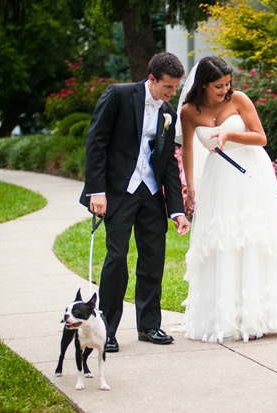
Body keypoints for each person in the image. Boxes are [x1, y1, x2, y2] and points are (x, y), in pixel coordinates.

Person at [176, 56, 277, 343]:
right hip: (219, 176)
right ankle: (225, 316)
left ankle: (259, 316)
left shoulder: (240, 100)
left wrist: (230, 133)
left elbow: (261, 138)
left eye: (228, 83)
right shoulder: (188, 111)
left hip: (250, 170)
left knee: (252, 237)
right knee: (223, 239)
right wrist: (190, 185)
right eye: (218, 86)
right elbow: (188, 151)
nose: (225, 90)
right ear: (203, 84)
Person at [80, 52, 191, 352]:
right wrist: (96, 191)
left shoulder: (168, 112)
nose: (171, 94)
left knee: (153, 258)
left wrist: (177, 210)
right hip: (117, 191)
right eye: (167, 87)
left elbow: (168, 163)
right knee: (116, 258)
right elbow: (96, 141)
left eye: (175, 88)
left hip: (152, 195)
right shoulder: (118, 95)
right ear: (151, 79)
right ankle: (109, 329)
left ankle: (149, 326)